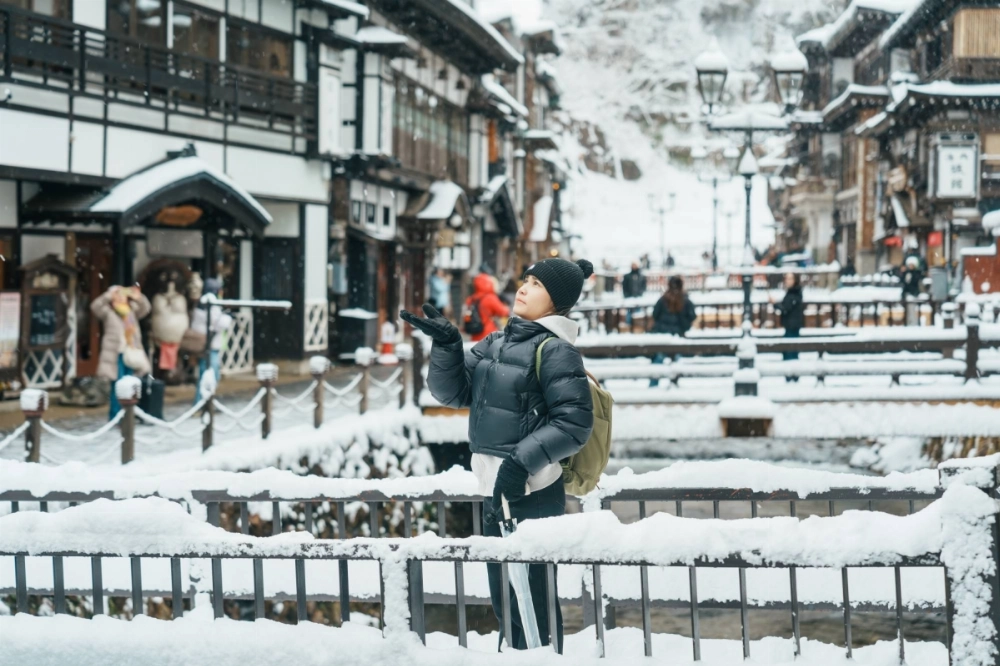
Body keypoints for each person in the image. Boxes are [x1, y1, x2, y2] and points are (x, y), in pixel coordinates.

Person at [401, 257, 595, 652]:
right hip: (495, 488)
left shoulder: (556, 351)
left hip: (533, 490)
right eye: (526, 280)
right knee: (505, 599)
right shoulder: (497, 342)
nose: (523, 288)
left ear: (557, 303)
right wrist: (447, 345)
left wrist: (518, 465)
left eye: (537, 285)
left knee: (533, 603)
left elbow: (574, 424)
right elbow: (453, 393)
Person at [91, 285, 152, 418]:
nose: (121, 297)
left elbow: (146, 308)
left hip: (130, 352)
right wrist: (109, 295)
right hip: (115, 354)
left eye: (123, 295)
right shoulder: (108, 312)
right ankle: (115, 415)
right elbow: (95, 306)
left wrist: (138, 297)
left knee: (131, 384)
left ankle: (128, 415)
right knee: (117, 386)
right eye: (117, 295)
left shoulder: (132, 310)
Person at [190, 278, 232, 404]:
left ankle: (204, 403)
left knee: (207, 375)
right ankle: (200, 404)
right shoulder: (209, 304)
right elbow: (219, 323)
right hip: (209, 346)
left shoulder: (203, 304)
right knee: (210, 376)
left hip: (207, 345)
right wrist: (227, 317)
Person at [649, 276, 696, 387]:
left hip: (662, 336)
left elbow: (655, 315)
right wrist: (683, 326)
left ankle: (654, 384)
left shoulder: (663, 299)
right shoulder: (686, 301)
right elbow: (692, 316)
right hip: (677, 336)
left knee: (658, 360)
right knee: (676, 359)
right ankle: (674, 382)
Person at [772, 272, 805, 382]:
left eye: (790, 278)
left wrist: (774, 304)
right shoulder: (794, 292)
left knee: (790, 351)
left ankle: (792, 375)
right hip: (791, 325)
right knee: (790, 350)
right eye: (787, 278)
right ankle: (791, 375)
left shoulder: (794, 293)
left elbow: (785, 308)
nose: (787, 281)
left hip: (792, 326)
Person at [465, 272, 509, 342]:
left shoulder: (471, 299)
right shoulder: (490, 298)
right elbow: (503, 312)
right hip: (489, 334)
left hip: (475, 335)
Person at [622, 262, 646, 328]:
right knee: (629, 313)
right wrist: (626, 295)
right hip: (630, 297)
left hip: (638, 297)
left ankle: (638, 326)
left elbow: (643, 286)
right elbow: (624, 287)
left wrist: (640, 293)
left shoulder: (641, 276)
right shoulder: (627, 276)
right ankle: (629, 326)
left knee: (638, 313)